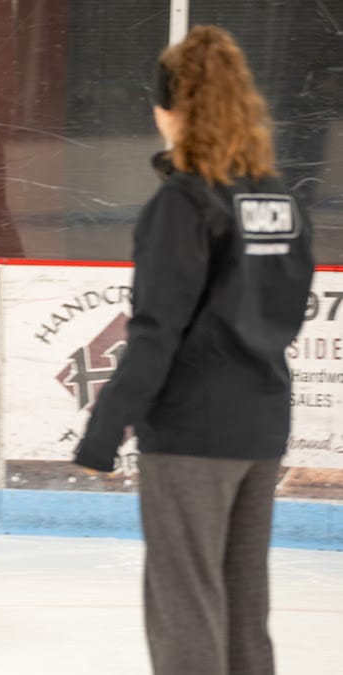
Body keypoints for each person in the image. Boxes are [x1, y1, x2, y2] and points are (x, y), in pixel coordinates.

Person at [73, 26, 314, 675]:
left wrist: (102, 432)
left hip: (192, 433)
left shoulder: (183, 203)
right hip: (262, 426)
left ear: (168, 110)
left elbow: (157, 329)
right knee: (242, 607)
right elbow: (286, 311)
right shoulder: (278, 199)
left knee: (186, 602)